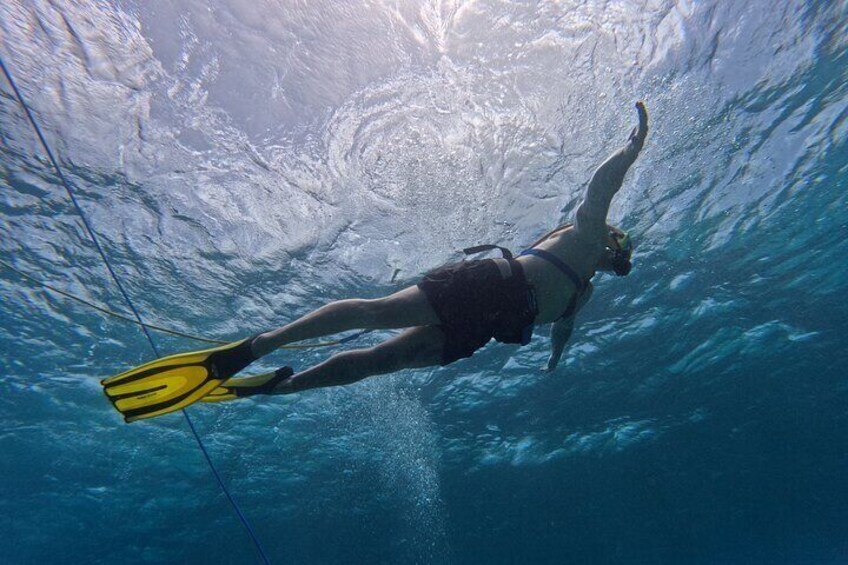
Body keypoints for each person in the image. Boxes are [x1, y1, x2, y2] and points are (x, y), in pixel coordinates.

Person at [101, 102, 648, 423]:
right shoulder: (584, 236)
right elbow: (599, 190)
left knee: (377, 363)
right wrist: (629, 151)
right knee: (376, 311)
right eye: (621, 246)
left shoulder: (585, 292)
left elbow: (564, 332)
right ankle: (254, 348)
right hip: (480, 289)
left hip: (482, 328)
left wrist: (555, 362)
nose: (616, 254)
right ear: (612, 241)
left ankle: (279, 387)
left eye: (620, 254)